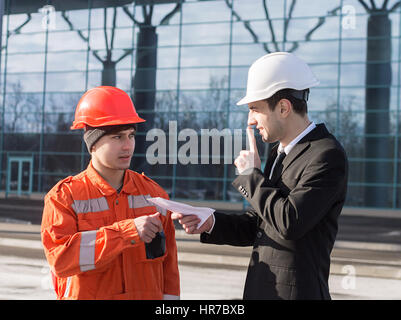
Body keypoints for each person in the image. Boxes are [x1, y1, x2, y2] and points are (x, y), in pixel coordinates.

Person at [172, 52, 348, 300]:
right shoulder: (279, 153)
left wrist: (251, 176)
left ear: (284, 107)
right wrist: (210, 222)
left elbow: (289, 222)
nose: (251, 120)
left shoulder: (326, 155)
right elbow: (260, 224)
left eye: (255, 109)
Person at [41, 86, 180, 300]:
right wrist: (126, 232)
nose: (128, 146)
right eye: (117, 137)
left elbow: (169, 270)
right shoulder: (64, 197)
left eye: (131, 135)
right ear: (93, 144)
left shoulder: (155, 194)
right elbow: (60, 260)